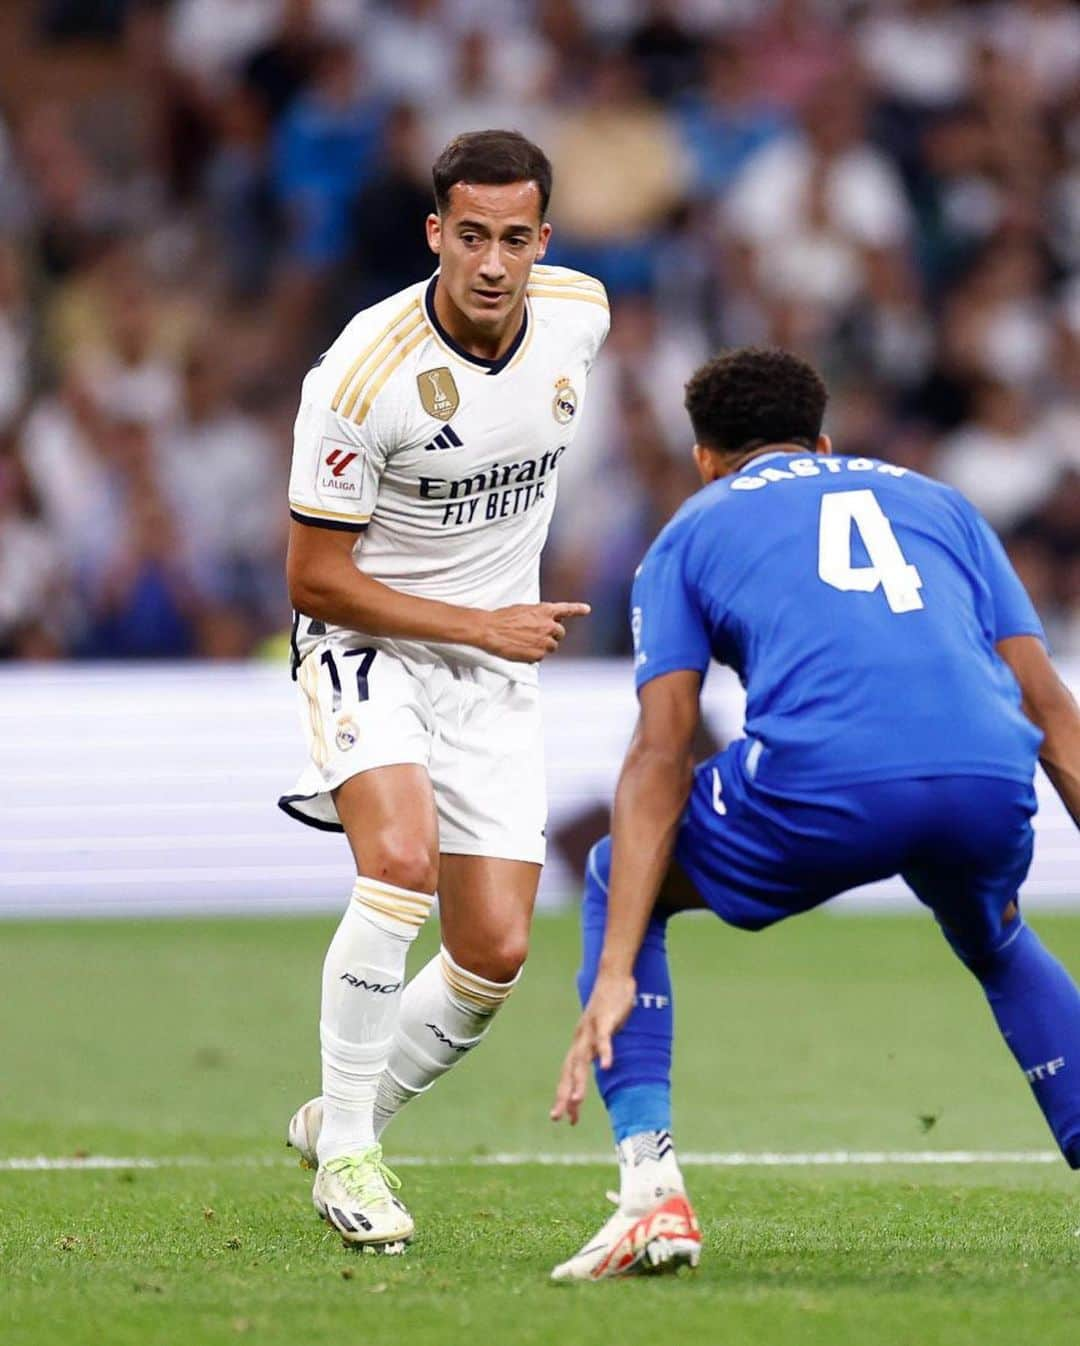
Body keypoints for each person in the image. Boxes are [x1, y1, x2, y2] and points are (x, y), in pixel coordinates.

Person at [549, 347, 1080, 1282]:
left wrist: (618, 962)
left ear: (706, 457)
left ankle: (649, 1193)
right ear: (824, 441)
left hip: (827, 781)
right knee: (992, 934)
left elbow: (663, 749)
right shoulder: (941, 501)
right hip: (987, 768)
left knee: (611, 873)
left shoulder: (691, 525)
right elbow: (1052, 710)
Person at [279, 129, 609, 1249]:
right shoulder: (362, 373)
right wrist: (482, 622)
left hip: (490, 671)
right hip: (365, 640)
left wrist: (489, 635)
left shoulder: (581, 316)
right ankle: (355, 1159)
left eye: (516, 238)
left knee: (495, 955)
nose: (492, 262)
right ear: (435, 233)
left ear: (543, 242)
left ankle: (343, 1113)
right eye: (471, 234)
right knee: (401, 864)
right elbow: (315, 573)